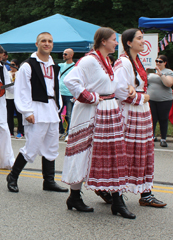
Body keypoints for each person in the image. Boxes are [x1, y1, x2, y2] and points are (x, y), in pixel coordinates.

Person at [61, 27, 130, 216]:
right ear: (103, 41)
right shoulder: (90, 60)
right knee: (82, 152)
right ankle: (74, 196)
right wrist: (90, 97)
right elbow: (70, 80)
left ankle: (117, 199)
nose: (116, 43)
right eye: (114, 39)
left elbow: (111, 86)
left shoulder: (107, 61)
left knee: (113, 154)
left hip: (108, 110)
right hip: (91, 111)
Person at [7, 32, 67, 194]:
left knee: (51, 146)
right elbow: (22, 90)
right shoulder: (28, 65)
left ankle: (49, 181)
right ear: (37, 44)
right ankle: (12, 176)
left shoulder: (54, 66)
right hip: (36, 108)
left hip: (51, 109)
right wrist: (27, 111)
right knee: (32, 146)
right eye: (43, 41)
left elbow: (56, 89)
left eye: (50, 41)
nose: (47, 44)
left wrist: (58, 107)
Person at [115, 29, 166, 208]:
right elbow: (120, 91)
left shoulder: (136, 61)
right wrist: (141, 97)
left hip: (141, 112)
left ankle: (145, 193)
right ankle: (116, 193)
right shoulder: (123, 62)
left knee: (143, 151)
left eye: (143, 38)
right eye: (139, 38)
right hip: (130, 112)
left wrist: (142, 98)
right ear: (129, 42)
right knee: (128, 151)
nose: (142, 41)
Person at [148, 55, 173, 147]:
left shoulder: (168, 72)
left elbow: (169, 84)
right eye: (157, 61)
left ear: (165, 63)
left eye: (160, 61)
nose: (158, 63)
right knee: (152, 119)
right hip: (152, 99)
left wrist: (161, 74)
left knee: (163, 119)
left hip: (164, 100)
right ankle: (152, 137)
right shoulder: (152, 72)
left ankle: (163, 139)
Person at [59, 48, 75, 140]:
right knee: (58, 113)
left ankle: (69, 133)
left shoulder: (75, 67)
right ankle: (61, 131)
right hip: (60, 93)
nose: (63, 55)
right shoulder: (61, 66)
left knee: (69, 114)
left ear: (71, 55)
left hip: (69, 93)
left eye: (65, 54)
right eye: (63, 54)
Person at [9, 59, 24, 138]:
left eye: (13, 64)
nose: (11, 66)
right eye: (10, 64)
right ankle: (10, 132)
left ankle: (20, 131)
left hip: (18, 97)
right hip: (8, 97)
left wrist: (15, 77)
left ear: (17, 66)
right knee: (9, 115)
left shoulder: (20, 73)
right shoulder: (7, 73)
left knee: (19, 115)